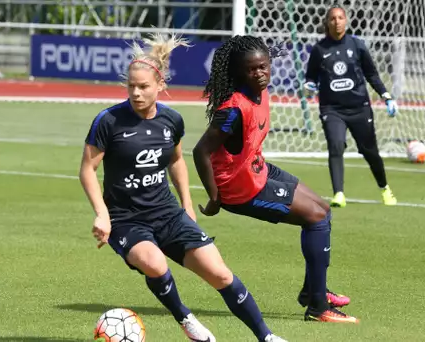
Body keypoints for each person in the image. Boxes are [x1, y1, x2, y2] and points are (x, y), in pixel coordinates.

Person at [79, 33, 287, 342]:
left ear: (160, 85)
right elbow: (88, 169)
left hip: (167, 213)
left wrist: (187, 205)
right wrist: (102, 215)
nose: (136, 93)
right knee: (153, 262)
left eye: (144, 87)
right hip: (126, 219)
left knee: (220, 274)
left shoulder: (171, 120)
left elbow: (176, 161)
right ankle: (185, 319)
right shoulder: (108, 121)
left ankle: (266, 337)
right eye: (131, 87)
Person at [192, 35, 358, 324]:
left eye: (263, 66)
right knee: (316, 218)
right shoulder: (233, 109)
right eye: (251, 69)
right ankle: (318, 308)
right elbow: (200, 151)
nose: (259, 73)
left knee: (323, 210)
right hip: (239, 187)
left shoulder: (261, 89)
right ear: (239, 72)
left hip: (256, 168)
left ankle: (313, 291)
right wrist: (215, 197)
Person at [303, 5, 399, 208]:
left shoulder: (357, 45)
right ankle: (338, 194)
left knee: (369, 151)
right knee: (336, 145)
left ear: (346, 21)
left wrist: (386, 96)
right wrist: (309, 87)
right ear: (327, 23)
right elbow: (310, 78)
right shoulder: (320, 50)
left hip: (359, 108)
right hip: (332, 109)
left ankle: (384, 188)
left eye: (340, 17)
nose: (337, 21)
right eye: (333, 18)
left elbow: (371, 74)